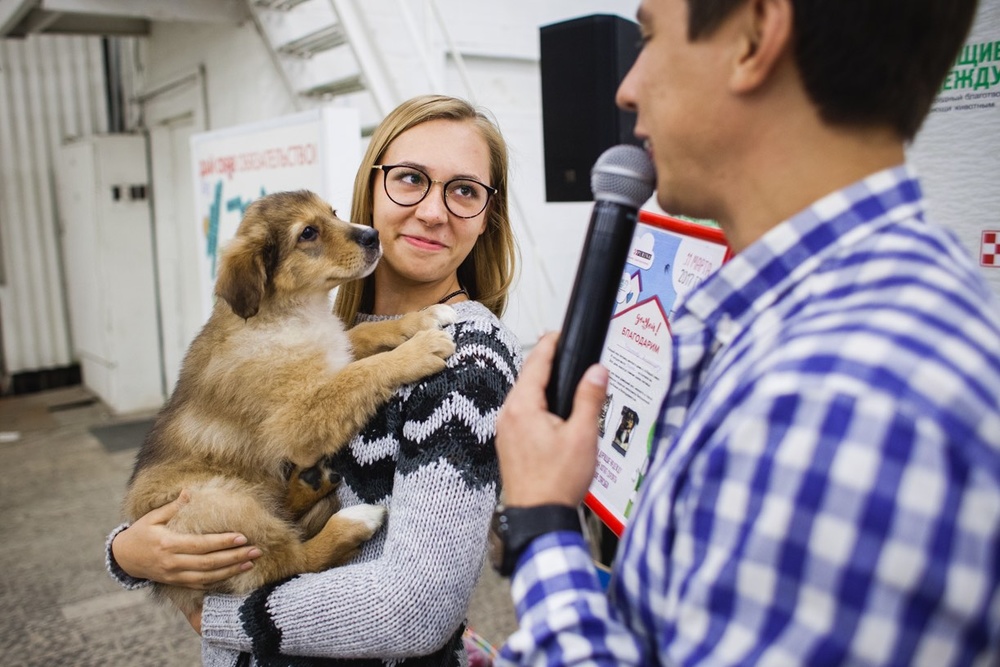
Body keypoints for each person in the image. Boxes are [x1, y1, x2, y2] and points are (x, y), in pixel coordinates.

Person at [493, 0, 1000, 664]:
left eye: (648, 37)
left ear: (755, 35)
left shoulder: (842, 401)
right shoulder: (823, 328)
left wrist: (544, 521)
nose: (626, 86)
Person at [106, 94, 523, 665]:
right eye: (409, 179)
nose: (432, 211)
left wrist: (220, 619)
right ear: (370, 189)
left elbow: (414, 607)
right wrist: (128, 552)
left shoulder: (467, 358)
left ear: (487, 216)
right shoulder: (328, 322)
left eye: (464, 190)